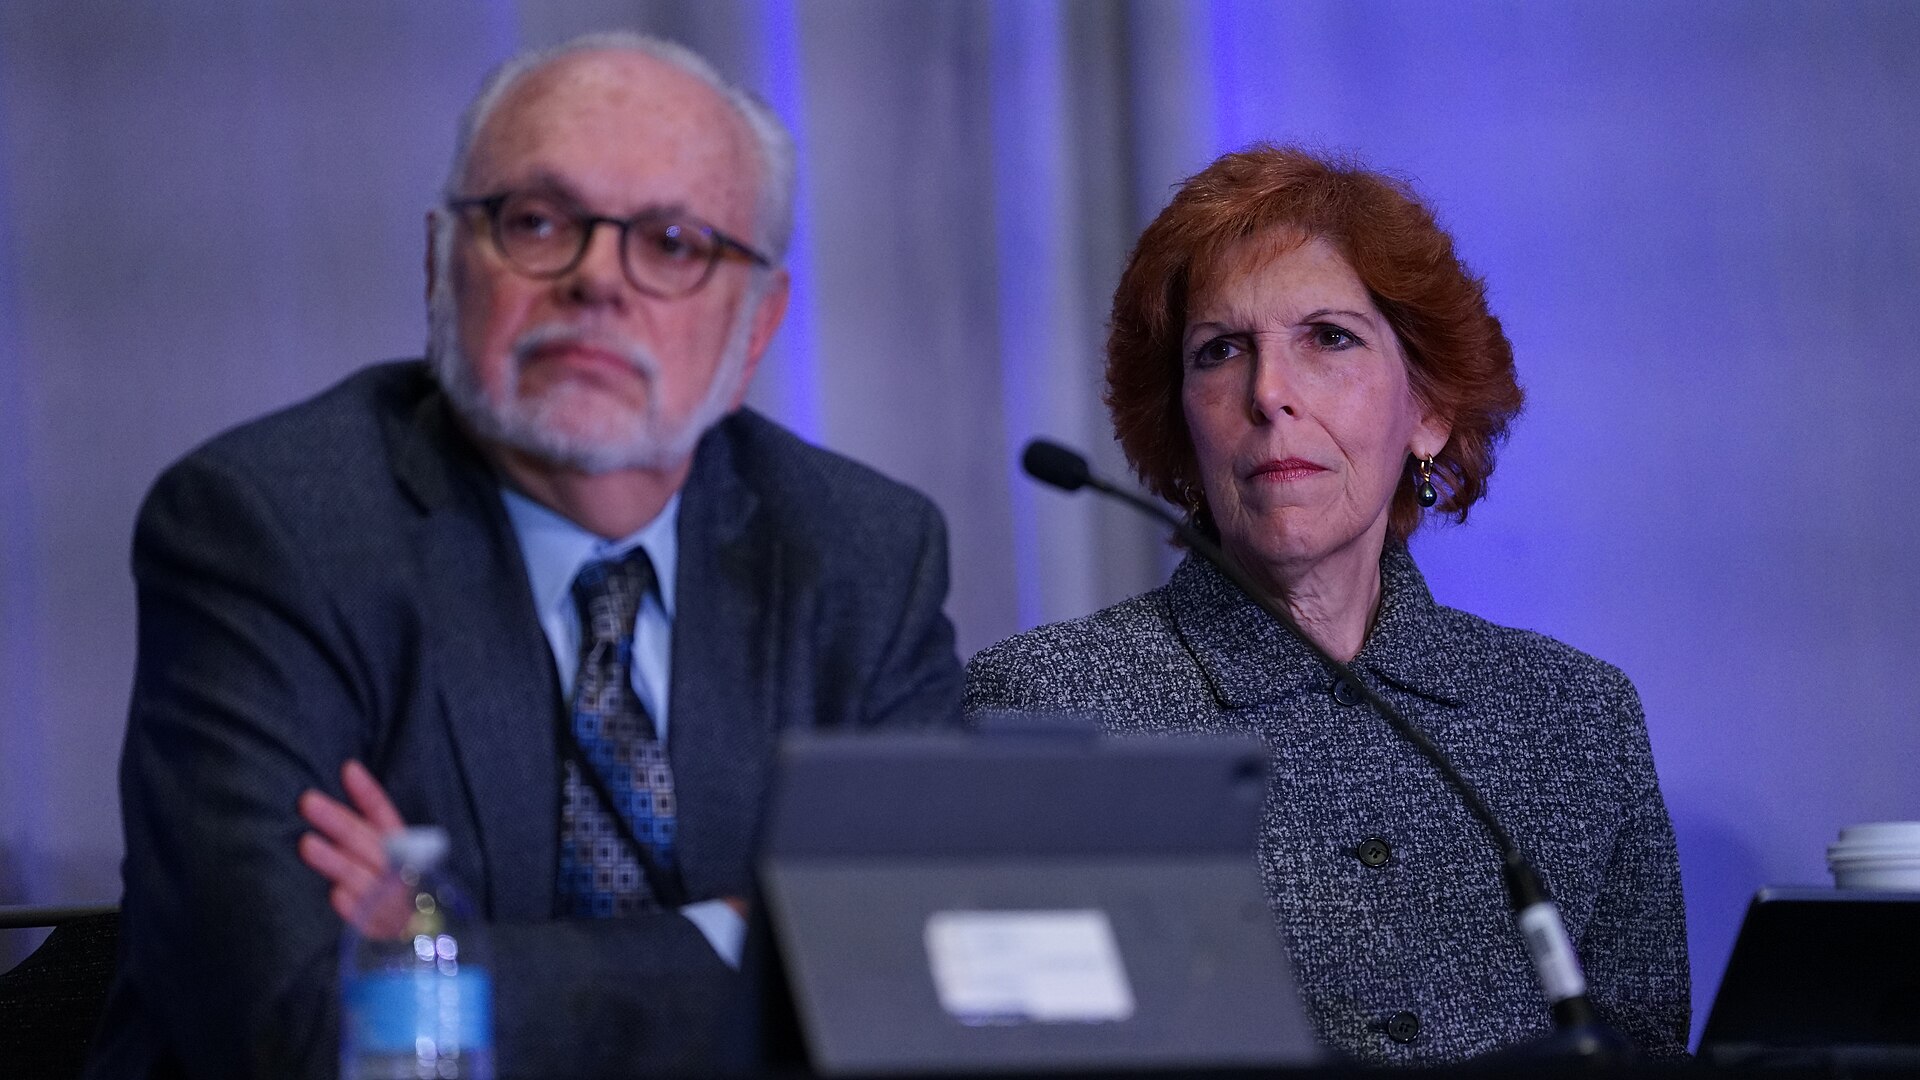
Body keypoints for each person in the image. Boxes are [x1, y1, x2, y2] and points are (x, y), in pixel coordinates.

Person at [92, 32, 962, 1080]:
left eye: (674, 242)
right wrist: (746, 937)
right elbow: (298, 1024)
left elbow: (918, 978)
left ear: (757, 326)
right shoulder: (269, 529)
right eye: (538, 221)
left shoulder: (861, 554)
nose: (597, 280)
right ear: (441, 265)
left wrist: (434, 947)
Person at [964, 145, 1689, 1063]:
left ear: (1427, 408)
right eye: (1221, 351)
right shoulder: (1049, 708)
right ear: (1183, 425)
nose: (1269, 394)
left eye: (1330, 337)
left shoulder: (1578, 721)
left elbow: (1646, 1056)